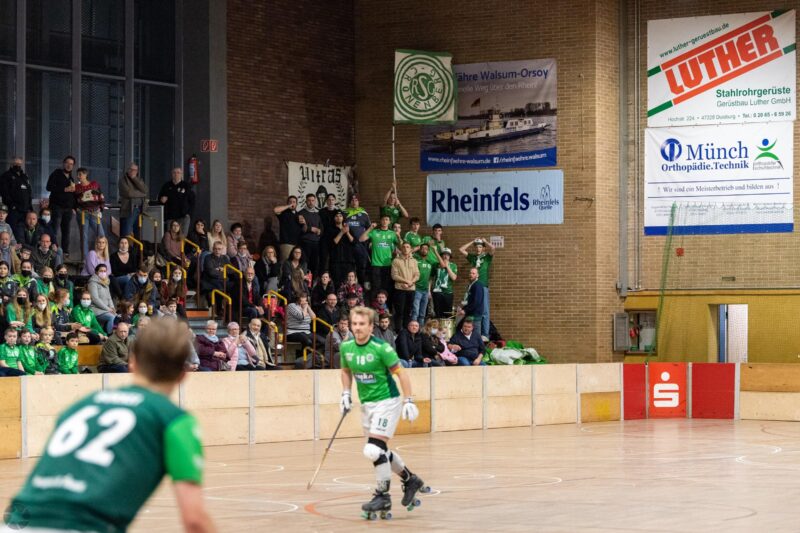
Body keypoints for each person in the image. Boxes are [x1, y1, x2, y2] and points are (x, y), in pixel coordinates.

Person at [6, 319, 215, 532]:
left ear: (132, 363)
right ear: (183, 374)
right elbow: (194, 520)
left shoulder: (83, 405)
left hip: (15, 524)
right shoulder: (173, 420)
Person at [339, 305, 426, 518]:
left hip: (387, 401)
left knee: (373, 450)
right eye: (354, 324)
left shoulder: (382, 348)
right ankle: (410, 479)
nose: (357, 328)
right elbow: (345, 370)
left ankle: (382, 496)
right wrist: (346, 393)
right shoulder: (346, 347)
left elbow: (401, 373)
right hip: (367, 404)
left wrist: (408, 400)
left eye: (362, 324)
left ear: (371, 327)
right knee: (379, 451)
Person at [461, 237, 494, 338]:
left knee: (485, 311)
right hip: (474, 285)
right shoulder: (473, 257)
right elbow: (461, 249)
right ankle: (475, 333)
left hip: (483, 286)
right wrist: (473, 241)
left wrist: (485, 241)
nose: (478, 248)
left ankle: (485, 334)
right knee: (474, 307)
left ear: (483, 248)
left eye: (480, 247)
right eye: (476, 247)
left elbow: (493, 248)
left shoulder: (487, 257)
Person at [360, 215, 399, 300]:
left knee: (387, 287)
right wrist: (370, 228)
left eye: (387, 219)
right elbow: (361, 239)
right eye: (383, 219)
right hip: (376, 265)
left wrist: (398, 236)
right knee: (375, 287)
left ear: (389, 222)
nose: (385, 221)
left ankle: (386, 307)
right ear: (380, 221)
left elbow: (400, 245)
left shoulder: (392, 234)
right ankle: (374, 307)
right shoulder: (374, 232)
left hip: (387, 265)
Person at [46, 155, 77, 257]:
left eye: (71, 164)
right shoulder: (56, 173)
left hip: (68, 209)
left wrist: (74, 207)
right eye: (67, 163)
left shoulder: (71, 178)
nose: (69, 165)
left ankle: (65, 252)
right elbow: (49, 187)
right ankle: (52, 252)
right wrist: (64, 189)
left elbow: (73, 194)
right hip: (57, 207)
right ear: (63, 163)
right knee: (54, 230)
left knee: (66, 231)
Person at [285, 293, 325, 368]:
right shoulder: (291, 306)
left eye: (305, 298)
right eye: (302, 298)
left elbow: (313, 317)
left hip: (306, 332)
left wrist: (308, 307)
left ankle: (312, 360)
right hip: (293, 332)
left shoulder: (306, 307)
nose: (304, 300)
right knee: (308, 341)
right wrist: (305, 307)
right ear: (298, 298)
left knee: (323, 341)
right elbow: (301, 317)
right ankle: (301, 362)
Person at [74, 167, 106, 261]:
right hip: (82, 213)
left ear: (85, 174)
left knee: (101, 235)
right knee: (84, 237)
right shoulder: (76, 187)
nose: (78, 176)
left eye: (80, 174)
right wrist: (74, 209)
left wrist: (101, 208)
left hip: (95, 213)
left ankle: (102, 257)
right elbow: (74, 200)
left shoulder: (95, 184)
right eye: (77, 174)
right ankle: (85, 260)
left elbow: (101, 196)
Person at [391, 242, 419, 332]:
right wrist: (407, 281)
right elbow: (394, 275)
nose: (406, 248)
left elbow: (417, 274)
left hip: (411, 289)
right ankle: (398, 331)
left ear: (410, 249)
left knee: (408, 311)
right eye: (404, 247)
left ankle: (407, 331)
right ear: (401, 249)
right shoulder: (396, 261)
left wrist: (411, 282)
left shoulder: (414, 261)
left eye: (407, 247)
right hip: (400, 289)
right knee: (399, 311)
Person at [2, 157, 33, 235]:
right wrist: (12, 205)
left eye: (19, 164)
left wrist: (30, 206)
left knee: (24, 232)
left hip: (25, 210)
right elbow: (4, 193)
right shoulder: (6, 175)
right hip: (13, 211)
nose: (18, 165)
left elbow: (29, 192)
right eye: (16, 163)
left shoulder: (25, 176)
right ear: (11, 164)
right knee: (12, 231)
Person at [158, 167, 194, 235]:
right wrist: (161, 200)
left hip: (183, 216)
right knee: (170, 236)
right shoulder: (166, 186)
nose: (176, 174)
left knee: (182, 236)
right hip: (170, 216)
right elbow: (159, 199)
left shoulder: (186, 186)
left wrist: (189, 214)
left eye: (178, 173)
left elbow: (192, 201)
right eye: (174, 173)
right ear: (171, 174)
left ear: (181, 174)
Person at [344, 194, 371, 286]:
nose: (354, 202)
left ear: (359, 202)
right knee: (349, 267)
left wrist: (368, 241)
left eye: (356, 200)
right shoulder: (344, 213)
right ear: (349, 202)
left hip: (361, 245)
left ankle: (361, 288)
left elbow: (369, 229)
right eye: (352, 200)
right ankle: (348, 288)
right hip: (347, 245)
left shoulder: (364, 214)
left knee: (361, 267)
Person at [118, 161, 148, 239]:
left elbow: (145, 190)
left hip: (140, 209)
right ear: (128, 170)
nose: (133, 171)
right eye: (131, 169)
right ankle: (125, 247)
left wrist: (135, 179)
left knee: (138, 234)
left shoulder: (139, 179)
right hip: (129, 210)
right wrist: (142, 193)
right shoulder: (123, 180)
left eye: (135, 170)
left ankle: (137, 247)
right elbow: (129, 193)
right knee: (126, 233)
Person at [329, 209, 355, 288]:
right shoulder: (330, 229)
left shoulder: (348, 229)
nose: (338, 217)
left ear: (343, 218)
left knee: (348, 283)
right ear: (334, 218)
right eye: (336, 216)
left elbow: (354, 242)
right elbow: (333, 243)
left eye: (340, 216)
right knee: (337, 283)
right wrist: (341, 232)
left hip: (348, 261)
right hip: (335, 261)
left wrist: (347, 232)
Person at [201, 242, 230, 311]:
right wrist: (223, 272)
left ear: (222, 249)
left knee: (234, 285)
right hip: (210, 280)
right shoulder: (208, 257)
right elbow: (211, 272)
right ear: (213, 249)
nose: (217, 251)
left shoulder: (225, 258)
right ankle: (218, 309)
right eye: (215, 249)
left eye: (219, 249)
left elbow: (231, 270)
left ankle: (229, 309)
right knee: (219, 286)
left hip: (222, 280)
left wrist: (221, 270)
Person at [298, 193, 322, 276]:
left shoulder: (317, 214)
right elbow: (300, 229)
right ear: (306, 201)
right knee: (305, 263)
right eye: (309, 200)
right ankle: (304, 281)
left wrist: (319, 231)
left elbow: (321, 228)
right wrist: (311, 229)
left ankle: (313, 282)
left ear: (315, 202)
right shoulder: (301, 213)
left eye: (313, 200)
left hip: (316, 242)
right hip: (305, 242)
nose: (311, 202)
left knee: (315, 264)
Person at [458, 267, 485, 340]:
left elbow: (476, 302)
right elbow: (470, 301)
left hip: (475, 315)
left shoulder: (477, 285)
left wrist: (465, 310)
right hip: (470, 314)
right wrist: (463, 309)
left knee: (476, 337)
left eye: (473, 273)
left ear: (477, 275)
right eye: (470, 273)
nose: (471, 275)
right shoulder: (471, 285)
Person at [88, 263, 116, 334]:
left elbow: (109, 297)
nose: (103, 273)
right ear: (96, 272)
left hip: (106, 310)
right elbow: (95, 299)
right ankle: (109, 336)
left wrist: (112, 307)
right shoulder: (92, 283)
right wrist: (108, 309)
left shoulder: (106, 282)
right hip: (95, 309)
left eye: (105, 271)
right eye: (101, 271)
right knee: (111, 317)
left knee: (117, 317)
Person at [274, 195, 302, 261]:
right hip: (286, 243)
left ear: (296, 204)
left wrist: (304, 222)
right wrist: (288, 206)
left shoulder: (298, 215)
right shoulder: (284, 213)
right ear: (287, 203)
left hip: (297, 244)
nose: (292, 203)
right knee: (285, 262)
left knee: (294, 263)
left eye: (294, 202)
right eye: (290, 202)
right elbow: (275, 210)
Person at [431, 247, 457, 318]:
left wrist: (447, 266)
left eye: (447, 255)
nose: (445, 256)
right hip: (437, 292)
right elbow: (431, 278)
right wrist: (428, 291)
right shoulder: (436, 265)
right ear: (441, 255)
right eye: (444, 254)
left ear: (450, 256)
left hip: (448, 292)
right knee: (438, 313)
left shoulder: (453, 265)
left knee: (448, 314)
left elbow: (454, 278)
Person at [412, 242, 433, 325]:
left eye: (426, 249)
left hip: (425, 291)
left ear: (428, 251)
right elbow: (408, 253)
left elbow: (430, 278)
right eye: (423, 248)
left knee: (422, 314)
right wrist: (416, 247)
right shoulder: (415, 261)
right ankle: (413, 328)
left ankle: (420, 329)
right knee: (415, 312)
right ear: (420, 250)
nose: (424, 250)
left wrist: (429, 291)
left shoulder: (430, 262)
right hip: (417, 289)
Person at [319, 193, 339, 273]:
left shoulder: (338, 212)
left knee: (334, 258)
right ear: (326, 201)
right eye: (329, 200)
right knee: (323, 259)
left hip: (336, 238)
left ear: (335, 201)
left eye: (332, 200)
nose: (331, 201)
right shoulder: (321, 212)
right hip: (324, 238)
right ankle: (323, 276)